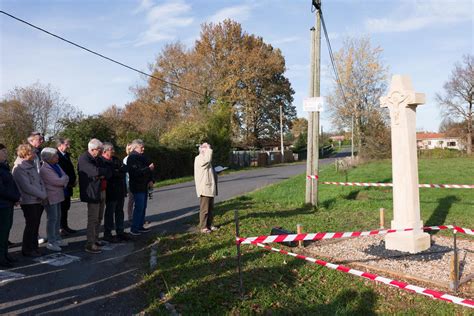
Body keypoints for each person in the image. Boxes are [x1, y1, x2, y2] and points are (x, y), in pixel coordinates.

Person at [12, 144, 48, 257]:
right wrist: (42, 195)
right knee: (31, 225)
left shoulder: (30, 165)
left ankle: (34, 247)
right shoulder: (19, 168)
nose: (35, 154)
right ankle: (27, 249)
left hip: (37, 199)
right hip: (28, 201)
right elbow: (26, 187)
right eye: (33, 152)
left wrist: (43, 194)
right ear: (26, 153)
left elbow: (39, 181)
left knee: (35, 224)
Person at [77, 139, 111, 254]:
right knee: (93, 218)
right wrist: (100, 174)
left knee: (99, 217)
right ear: (92, 149)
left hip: (101, 190)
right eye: (99, 149)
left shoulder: (97, 158)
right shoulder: (84, 158)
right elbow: (95, 172)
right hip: (92, 192)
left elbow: (108, 171)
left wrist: (100, 174)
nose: (101, 151)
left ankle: (96, 239)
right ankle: (90, 243)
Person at [40, 148, 69, 252]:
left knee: (58, 218)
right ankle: (51, 242)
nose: (58, 157)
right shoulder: (45, 169)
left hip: (58, 195)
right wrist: (63, 181)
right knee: (52, 219)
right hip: (51, 197)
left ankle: (57, 238)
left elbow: (65, 176)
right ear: (49, 158)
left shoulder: (56, 165)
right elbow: (59, 181)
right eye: (55, 156)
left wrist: (63, 180)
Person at [101, 143, 130, 242]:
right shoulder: (102, 161)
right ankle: (107, 234)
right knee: (110, 213)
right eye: (111, 149)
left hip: (120, 190)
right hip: (110, 191)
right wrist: (117, 171)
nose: (113, 151)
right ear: (105, 151)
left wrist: (117, 171)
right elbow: (109, 174)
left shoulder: (115, 159)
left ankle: (120, 231)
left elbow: (125, 169)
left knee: (119, 212)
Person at [127, 139, 154, 236]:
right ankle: (134, 228)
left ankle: (140, 226)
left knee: (143, 207)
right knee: (139, 207)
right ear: (135, 147)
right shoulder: (132, 158)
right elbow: (136, 172)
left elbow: (149, 169)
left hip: (145, 185)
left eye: (143, 146)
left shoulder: (143, 157)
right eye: (141, 147)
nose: (143, 149)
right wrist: (148, 169)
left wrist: (151, 180)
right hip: (137, 185)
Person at [0, 144, 21, 268]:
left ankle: (5, 255)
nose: (5, 153)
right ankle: (1, 258)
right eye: (3, 151)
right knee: (1, 232)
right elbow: (1, 189)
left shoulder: (4, 166)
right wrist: (15, 197)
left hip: (7, 203)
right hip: (2, 205)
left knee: (6, 231)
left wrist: (15, 197)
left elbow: (10, 184)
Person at [194, 143, 218, 234]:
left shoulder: (205, 158)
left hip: (209, 187)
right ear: (202, 149)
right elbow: (207, 160)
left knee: (211, 208)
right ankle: (203, 227)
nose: (209, 149)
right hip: (204, 187)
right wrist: (208, 149)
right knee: (205, 209)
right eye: (207, 148)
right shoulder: (199, 158)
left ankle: (209, 224)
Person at [56, 138, 77, 235]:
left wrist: (73, 180)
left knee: (66, 207)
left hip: (68, 185)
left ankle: (65, 226)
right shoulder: (56, 156)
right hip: (62, 186)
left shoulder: (66, 156)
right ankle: (60, 228)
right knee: (61, 208)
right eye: (66, 144)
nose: (68, 146)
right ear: (60, 145)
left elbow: (70, 169)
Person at [123, 143, 134, 222]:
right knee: (131, 200)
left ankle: (137, 217)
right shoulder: (126, 159)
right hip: (130, 182)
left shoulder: (136, 158)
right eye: (131, 149)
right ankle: (130, 217)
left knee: (136, 201)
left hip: (136, 182)